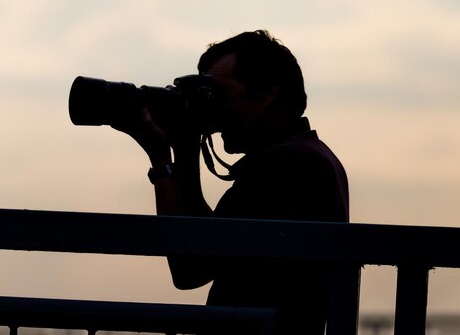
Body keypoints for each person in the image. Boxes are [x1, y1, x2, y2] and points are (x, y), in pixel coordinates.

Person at [113, 30, 349, 334]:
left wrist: (163, 161)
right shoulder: (311, 156)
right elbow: (201, 246)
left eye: (218, 94)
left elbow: (190, 267)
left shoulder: (285, 165)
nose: (211, 110)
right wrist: (183, 148)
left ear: (266, 93)